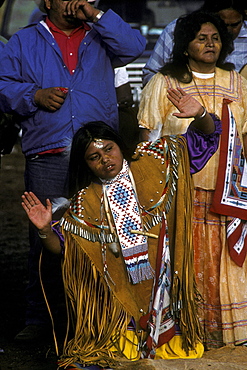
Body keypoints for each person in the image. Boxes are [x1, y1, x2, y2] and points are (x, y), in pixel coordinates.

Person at [21, 108, 221, 368]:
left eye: (109, 149)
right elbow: (63, 247)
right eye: (94, 157)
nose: (105, 159)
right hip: (121, 298)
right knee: (116, 356)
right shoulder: (85, 203)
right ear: (86, 164)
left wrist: (201, 113)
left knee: (181, 353)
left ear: (118, 144)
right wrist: (45, 229)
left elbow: (205, 138)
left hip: (164, 282)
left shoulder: (154, 161)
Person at [0, 0, 146, 342]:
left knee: (104, 231)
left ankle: (106, 316)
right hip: (48, 153)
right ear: (47, 2)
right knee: (46, 232)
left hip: (94, 153)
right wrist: (33, 95)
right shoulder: (24, 40)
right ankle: (42, 319)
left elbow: (135, 46)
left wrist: (95, 16)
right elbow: (3, 86)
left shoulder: (99, 33)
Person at [138, 10, 247, 349]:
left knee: (223, 263)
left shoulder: (237, 82)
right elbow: (146, 138)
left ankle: (224, 336)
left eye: (215, 38)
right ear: (185, 46)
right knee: (183, 257)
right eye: (201, 37)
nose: (210, 43)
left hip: (227, 192)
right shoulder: (165, 83)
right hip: (180, 193)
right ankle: (183, 330)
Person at [142, 0, 247, 85]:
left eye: (234, 25)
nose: (227, 30)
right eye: (202, 39)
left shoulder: (235, 81)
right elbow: (151, 75)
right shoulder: (178, 29)